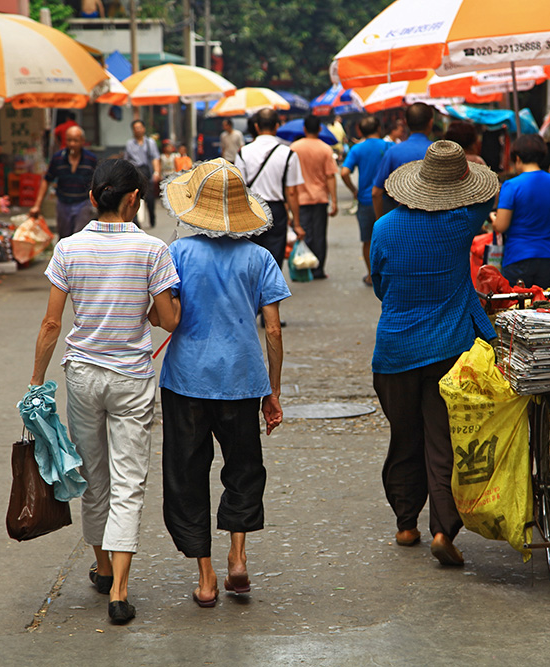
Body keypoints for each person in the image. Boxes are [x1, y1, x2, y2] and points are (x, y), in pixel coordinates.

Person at [29, 158, 181, 625]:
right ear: (134, 199)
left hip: (82, 376)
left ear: (93, 197)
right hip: (131, 377)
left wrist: (36, 383)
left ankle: (99, 563)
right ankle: (118, 588)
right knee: (128, 480)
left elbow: (53, 322)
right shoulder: (153, 250)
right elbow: (169, 320)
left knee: (93, 475)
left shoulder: (68, 249)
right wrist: (153, 311)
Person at [157, 157, 290, 608]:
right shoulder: (260, 258)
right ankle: (237, 557)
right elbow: (272, 330)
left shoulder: (178, 253)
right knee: (244, 469)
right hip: (242, 381)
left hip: (186, 380)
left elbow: (165, 317)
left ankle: (206, 576)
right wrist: (272, 392)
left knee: (186, 475)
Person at [370, 140, 500, 567]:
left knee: (403, 438)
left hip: (394, 350)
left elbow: (382, 284)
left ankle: (406, 523)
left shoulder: (384, 227)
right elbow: (488, 194)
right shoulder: (462, 223)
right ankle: (443, 529)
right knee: (441, 442)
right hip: (448, 350)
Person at [234, 108, 305, 270]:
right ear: (277, 126)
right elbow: (292, 192)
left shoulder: (243, 153)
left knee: (251, 256)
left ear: (257, 126)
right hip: (276, 211)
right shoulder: (288, 154)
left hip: (251, 209)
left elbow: (239, 188)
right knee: (274, 258)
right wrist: (298, 224)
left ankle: (254, 292)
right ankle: (270, 291)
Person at [493, 134, 550, 289]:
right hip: (548, 257)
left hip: (518, 257)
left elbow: (501, 226)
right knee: (543, 308)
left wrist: (494, 218)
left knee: (517, 310)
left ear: (517, 158)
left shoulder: (511, 186)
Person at [341, 115, 388, 286]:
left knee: (367, 239)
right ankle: (388, 274)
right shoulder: (389, 146)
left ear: (361, 130)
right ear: (379, 129)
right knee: (390, 239)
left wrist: (354, 190)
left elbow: (344, 172)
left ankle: (371, 276)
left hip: (366, 201)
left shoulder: (357, 149)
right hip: (387, 201)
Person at [289, 115, 337, 280]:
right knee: (319, 236)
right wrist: (334, 201)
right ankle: (318, 270)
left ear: (304, 129)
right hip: (320, 197)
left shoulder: (294, 148)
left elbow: (289, 177)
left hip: (299, 198)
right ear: (319, 129)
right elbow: (330, 176)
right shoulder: (325, 149)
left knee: (304, 233)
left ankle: (304, 268)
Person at [30, 125, 98, 239]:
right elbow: (47, 180)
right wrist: (37, 205)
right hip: (63, 203)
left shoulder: (91, 159)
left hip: (83, 203)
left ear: (82, 141)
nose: (72, 144)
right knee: (64, 238)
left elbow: (97, 181)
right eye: (69, 140)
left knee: (80, 238)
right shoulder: (58, 158)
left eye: (75, 140)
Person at [372, 103, 433, 220]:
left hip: (401, 220)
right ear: (430, 122)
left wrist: (380, 222)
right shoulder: (440, 152)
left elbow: (376, 192)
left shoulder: (393, 152)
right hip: (436, 221)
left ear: (406, 123)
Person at [123, 120, 160, 228]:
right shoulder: (129, 144)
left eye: (140, 127)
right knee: (134, 197)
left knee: (149, 198)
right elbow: (127, 159)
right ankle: (136, 221)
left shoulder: (150, 143)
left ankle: (152, 217)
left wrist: (157, 172)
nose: (138, 130)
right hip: (135, 173)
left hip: (147, 173)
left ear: (143, 129)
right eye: (136, 128)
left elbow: (155, 158)